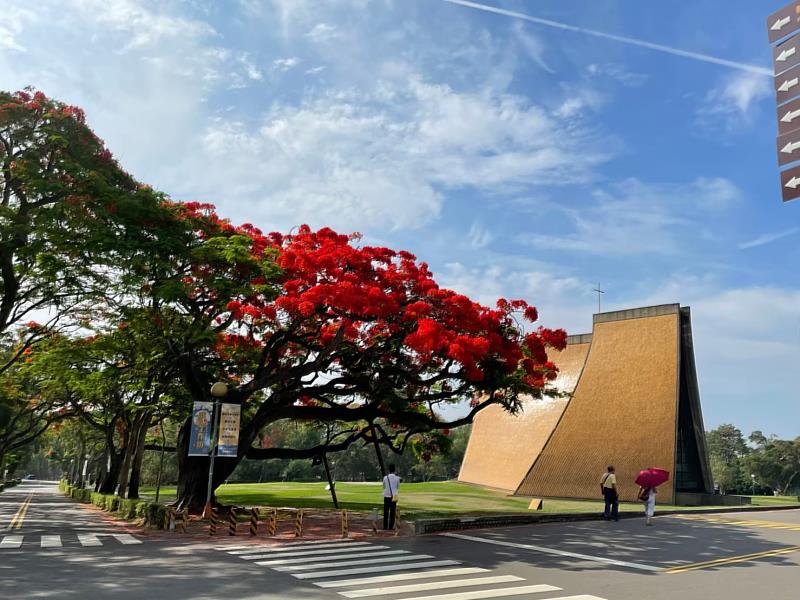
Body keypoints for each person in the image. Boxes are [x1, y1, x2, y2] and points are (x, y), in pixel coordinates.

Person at [382, 464, 401, 530]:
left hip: (387, 495)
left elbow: (384, 486)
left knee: (386, 511)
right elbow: (398, 487)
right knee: (393, 512)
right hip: (394, 495)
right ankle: (391, 526)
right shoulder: (397, 478)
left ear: (389, 470)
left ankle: (385, 526)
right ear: (394, 469)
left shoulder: (385, 477)